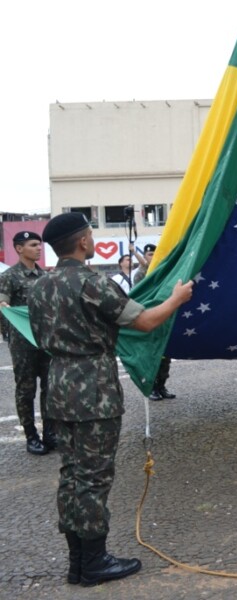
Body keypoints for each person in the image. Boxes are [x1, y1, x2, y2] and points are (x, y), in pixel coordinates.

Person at [28, 212, 193, 586]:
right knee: (94, 477)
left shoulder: (40, 286)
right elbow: (147, 321)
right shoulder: (92, 283)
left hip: (58, 385)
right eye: (89, 233)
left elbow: (37, 335)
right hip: (93, 389)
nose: (90, 238)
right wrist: (176, 298)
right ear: (83, 241)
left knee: (72, 474)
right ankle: (95, 562)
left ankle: (78, 562)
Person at [0, 231, 54, 455]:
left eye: (39, 245)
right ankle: (31, 436)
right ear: (19, 249)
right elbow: (3, 303)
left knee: (49, 387)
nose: (38, 248)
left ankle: (50, 433)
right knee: (26, 389)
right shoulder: (10, 276)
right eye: (33, 245)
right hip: (22, 342)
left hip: (44, 339)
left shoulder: (45, 276)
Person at [131, 244, 176, 401]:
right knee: (152, 356)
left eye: (154, 254)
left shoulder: (164, 271)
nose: (152, 257)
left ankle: (161, 386)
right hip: (149, 318)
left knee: (165, 356)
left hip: (163, 318)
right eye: (149, 254)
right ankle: (151, 388)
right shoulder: (141, 274)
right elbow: (140, 297)